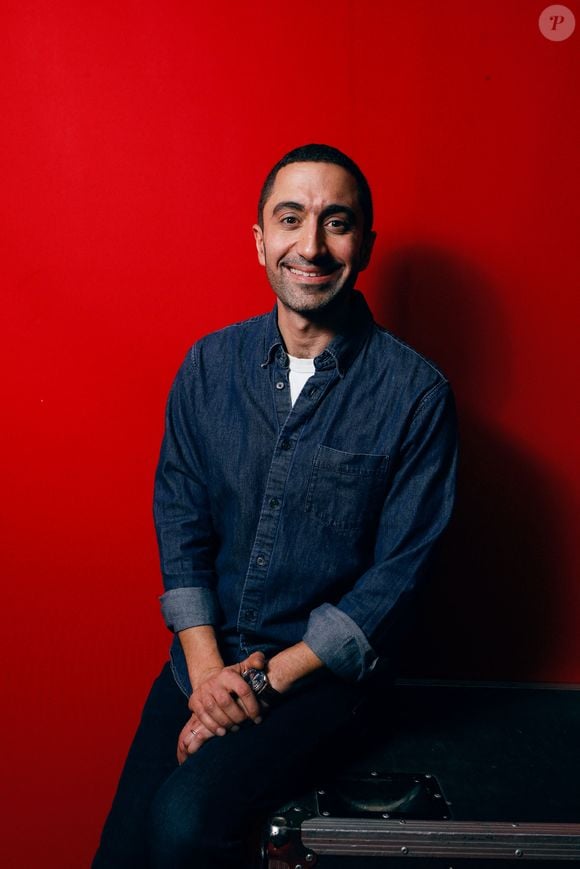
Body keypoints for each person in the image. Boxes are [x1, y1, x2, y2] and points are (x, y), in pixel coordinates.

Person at [93, 143, 458, 868]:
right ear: (261, 240)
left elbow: (395, 585)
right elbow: (182, 522)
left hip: (322, 682)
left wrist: (256, 683)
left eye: (337, 222)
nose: (312, 245)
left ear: (365, 246)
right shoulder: (207, 366)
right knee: (121, 853)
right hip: (203, 662)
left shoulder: (418, 395)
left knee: (183, 824)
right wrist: (207, 679)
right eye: (290, 219)